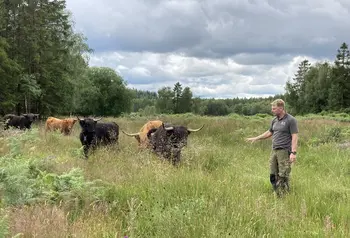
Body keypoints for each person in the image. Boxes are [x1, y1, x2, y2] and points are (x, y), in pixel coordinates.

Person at [245, 99, 298, 196]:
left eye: (274, 108)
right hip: (274, 150)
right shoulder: (274, 120)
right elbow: (270, 132)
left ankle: (283, 195)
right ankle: (277, 192)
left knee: (283, 174)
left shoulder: (291, 120)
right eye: (272, 108)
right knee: (273, 174)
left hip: (284, 151)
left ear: (281, 108)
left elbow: (294, 136)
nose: (272, 110)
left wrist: (293, 153)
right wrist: (256, 138)